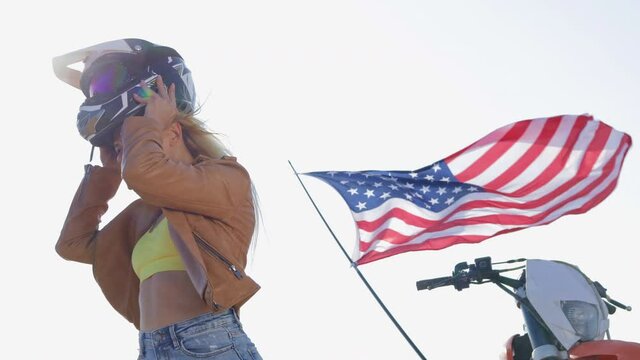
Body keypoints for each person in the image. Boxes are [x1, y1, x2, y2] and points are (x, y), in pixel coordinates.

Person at [53, 38, 263, 360]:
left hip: (209, 341)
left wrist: (148, 123)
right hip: (151, 348)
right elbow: (72, 244)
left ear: (174, 132)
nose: (126, 153)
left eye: (139, 134)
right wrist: (107, 174)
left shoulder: (229, 179)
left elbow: (142, 172)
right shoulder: (146, 212)